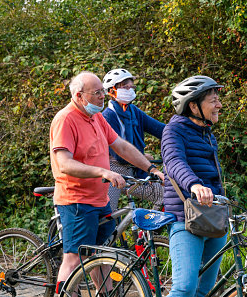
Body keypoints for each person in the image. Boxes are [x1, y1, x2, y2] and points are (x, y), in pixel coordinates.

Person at [49, 71, 162, 294]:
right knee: (74, 258)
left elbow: (121, 146)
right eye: (97, 92)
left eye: (103, 91)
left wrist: (150, 168)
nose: (103, 96)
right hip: (77, 201)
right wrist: (103, 171)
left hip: (100, 200)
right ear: (80, 96)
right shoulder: (65, 119)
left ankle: (106, 294)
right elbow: (64, 164)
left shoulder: (96, 117)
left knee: (101, 255)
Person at [161, 75, 226, 297]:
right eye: (213, 100)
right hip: (185, 218)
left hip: (212, 216)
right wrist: (195, 185)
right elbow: (173, 161)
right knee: (184, 288)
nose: (219, 105)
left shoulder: (207, 134)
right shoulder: (174, 130)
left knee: (204, 291)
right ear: (193, 106)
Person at [102, 68, 165, 211]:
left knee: (166, 195)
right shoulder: (108, 116)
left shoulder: (133, 111)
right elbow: (120, 153)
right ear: (112, 91)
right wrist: (142, 157)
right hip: (114, 169)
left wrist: (182, 131)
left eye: (132, 87)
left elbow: (160, 129)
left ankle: (149, 230)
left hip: (135, 169)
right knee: (107, 213)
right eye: (125, 87)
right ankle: (109, 232)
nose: (129, 90)